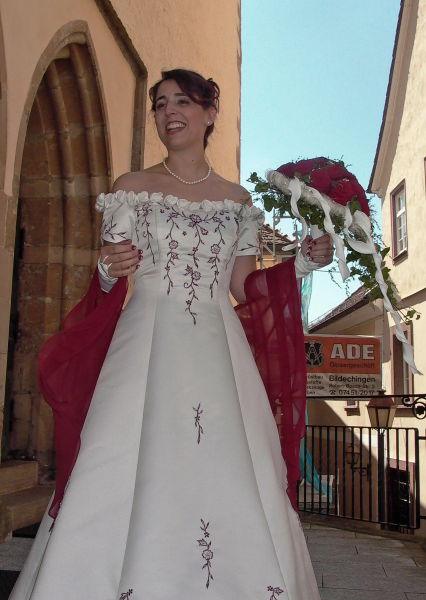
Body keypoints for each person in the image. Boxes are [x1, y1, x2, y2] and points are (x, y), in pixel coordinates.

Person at [10, 69, 332, 600]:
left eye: (182, 101)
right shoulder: (130, 189)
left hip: (218, 347)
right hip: (146, 339)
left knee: (231, 469)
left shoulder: (238, 202)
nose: (169, 112)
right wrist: (107, 270)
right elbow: (113, 269)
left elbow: (243, 286)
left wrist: (300, 264)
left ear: (209, 114)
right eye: (160, 104)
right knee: (117, 461)